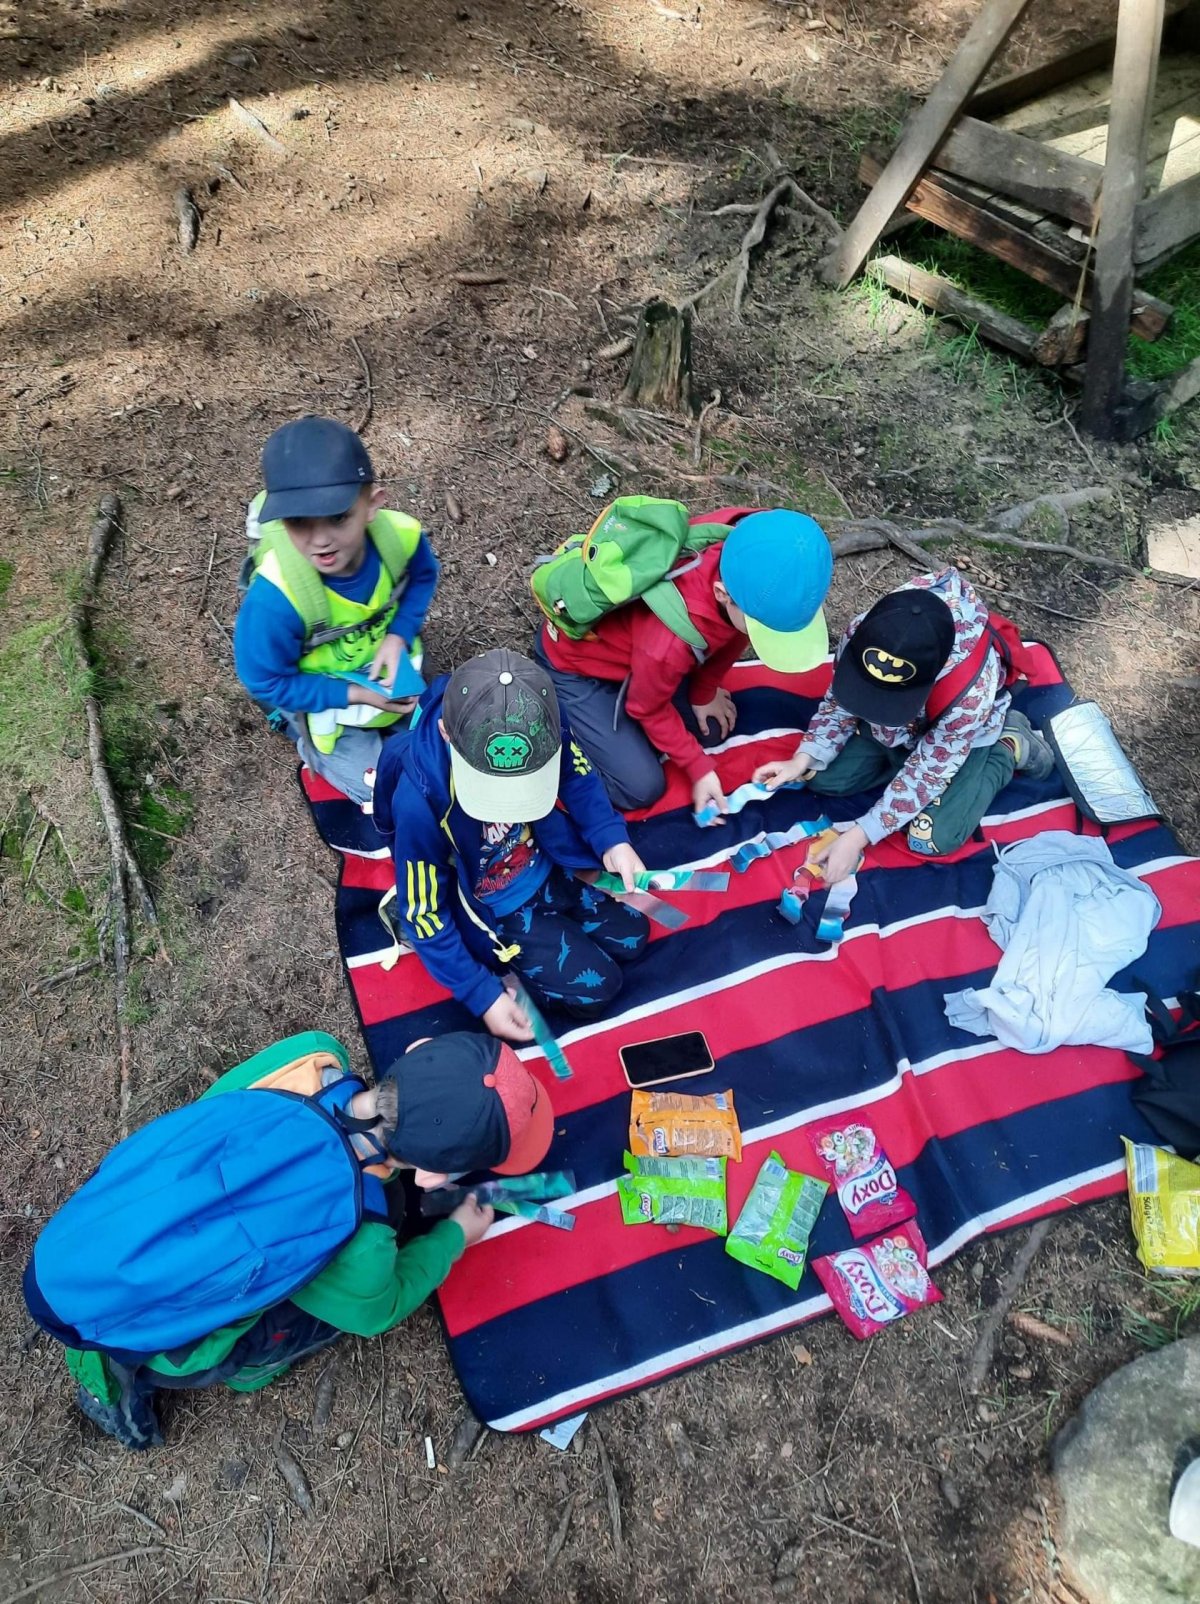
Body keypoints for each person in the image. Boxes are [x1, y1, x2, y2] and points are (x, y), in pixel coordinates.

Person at [27, 1030, 552, 1449]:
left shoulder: (312, 1057)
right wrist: (455, 1235)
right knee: (309, 1315)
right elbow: (378, 1311)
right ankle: (240, 1367)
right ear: (434, 1178)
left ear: (416, 1049)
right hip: (178, 1344)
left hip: (102, 1224)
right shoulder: (363, 1238)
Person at [372, 648, 649, 1043]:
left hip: (547, 866)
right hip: (495, 910)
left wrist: (610, 839)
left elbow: (576, 774)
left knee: (635, 937)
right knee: (600, 989)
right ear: (446, 733)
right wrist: (482, 995)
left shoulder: (542, 716)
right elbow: (424, 912)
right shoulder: (419, 801)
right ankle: (509, 962)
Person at [754, 568, 1055, 883]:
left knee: (932, 838)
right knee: (819, 776)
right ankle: (898, 765)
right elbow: (839, 702)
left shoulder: (969, 693)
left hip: (958, 737)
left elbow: (928, 771)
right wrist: (802, 758)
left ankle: (1007, 745)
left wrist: (859, 836)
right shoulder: (865, 631)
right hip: (896, 730)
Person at [534, 508, 833, 814]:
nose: (766, 636)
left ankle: (620, 728)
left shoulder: (750, 548)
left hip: (642, 663)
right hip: (577, 669)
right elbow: (645, 708)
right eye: (764, 629)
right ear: (722, 594)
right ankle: (563, 731)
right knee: (640, 787)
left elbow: (736, 633)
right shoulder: (668, 642)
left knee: (711, 729)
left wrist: (704, 693)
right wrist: (698, 768)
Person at [233, 416, 440, 805]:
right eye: (299, 522)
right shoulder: (275, 600)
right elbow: (265, 681)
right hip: (326, 702)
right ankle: (302, 737)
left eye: (338, 516)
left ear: (373, 504)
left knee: (439, 759)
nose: (321, 540)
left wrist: (398, 635)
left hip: (386, 668)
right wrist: (358, 695)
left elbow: (423, 577)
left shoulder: (401, 538)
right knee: (387, 792)